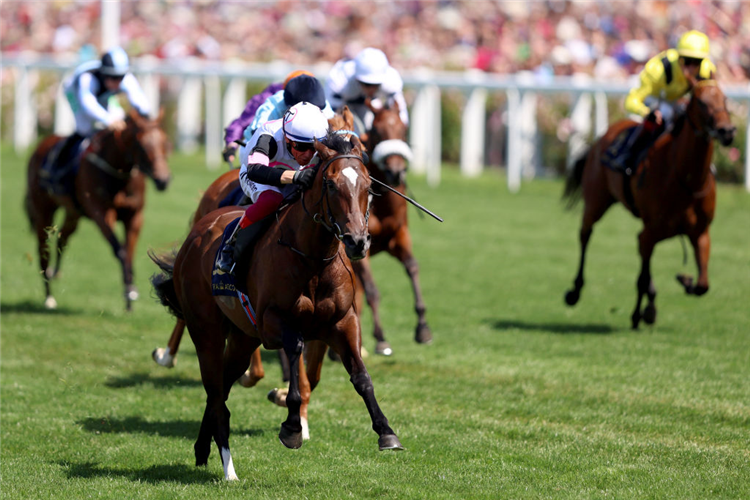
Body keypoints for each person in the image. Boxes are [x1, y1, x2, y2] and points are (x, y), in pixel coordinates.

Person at [215, 102, 329, 273]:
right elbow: (255, 170)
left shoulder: (318, 134)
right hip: (256, 173)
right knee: (271, 200)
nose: (307, 154)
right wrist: (296, 177)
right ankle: (232, 244)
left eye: (313, 148)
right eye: (301, 147)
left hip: (291, 173)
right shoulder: (269, 136)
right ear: (287, 138)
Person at [611, 30, 717, 173]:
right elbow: (631, 100)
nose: (691, 67)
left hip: (677, 101)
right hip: (654, 100)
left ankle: (703, 162)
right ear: (679, 57)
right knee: (664, 113)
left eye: (696, 62)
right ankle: (627, 155)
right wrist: (647, 112)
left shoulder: (706, 70)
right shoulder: (658, 69)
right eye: (687, 60)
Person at [54, 47, 151, 173]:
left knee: (119, 118)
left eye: (120, 77)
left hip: (103, 96)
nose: (117, 82)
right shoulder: (88, 79)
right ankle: (59, 164)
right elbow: (88, 104)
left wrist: (145, 117)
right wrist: (108, 120)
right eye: (113, 77)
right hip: (75, 93)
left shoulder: (125, 78)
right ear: (104, 73)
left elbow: (140, 101)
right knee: (84, 128)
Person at [222, 69, 314, 165]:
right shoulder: (267, 100)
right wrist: (231, 145)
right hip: (258, 146)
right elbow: (242, 122)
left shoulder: (315, 100)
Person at [325, 47, 409, 135]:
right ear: (357, 79)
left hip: (373, 104)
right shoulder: (340, 81)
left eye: (376, 84)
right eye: (366, 84)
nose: (371, 89)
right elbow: (332, 116)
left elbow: (401, 116)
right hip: (345, 106)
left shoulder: (392, 81)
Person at [241, 74, 335, 147]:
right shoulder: (274, 105)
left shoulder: (322, 105)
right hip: (255, 145)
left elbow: (334, 132)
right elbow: (258, 134)